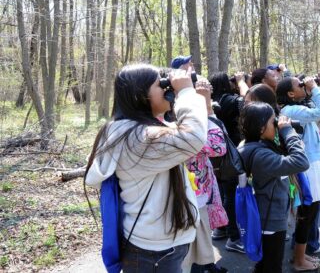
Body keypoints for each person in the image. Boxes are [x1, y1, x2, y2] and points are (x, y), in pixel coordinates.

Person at [85, 64, 207, 272]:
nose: (167, 88)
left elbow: (177, 132)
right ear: (140, 96)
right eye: (161, 85)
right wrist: (186, 91)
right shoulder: (136, 139)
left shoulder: (130, 131)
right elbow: (193, 137)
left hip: (155, 247)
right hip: (155, 253)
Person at [238, 102, 309, 273]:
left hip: (264, 216)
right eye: (273, 122)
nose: (276, 125)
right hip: (269, 221)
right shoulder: (261, 155)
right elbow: (301, 161)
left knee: (264, 264)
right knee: (272, 266)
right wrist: (288, 131)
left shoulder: (250, 145)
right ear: (262, 128)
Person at [276, 76, 320, 271]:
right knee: (307, 212)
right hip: (308, 167)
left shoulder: (295, 108)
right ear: (291, 94)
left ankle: (301, 255)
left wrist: (311, 90)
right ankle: (299, 260)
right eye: (300, 85)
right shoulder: (292, 110)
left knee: (311, 211)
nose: (304, 86)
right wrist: (315, 87)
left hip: (312, 163)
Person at [184, 79, 229, 273]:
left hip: (196, 193)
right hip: (190, 197)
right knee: (191, 253)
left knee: (199, 248)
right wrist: (206, 107)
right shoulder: (182, 124)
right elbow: (219, 145)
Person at [209, 72, 246, 253]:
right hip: (230, 152)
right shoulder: (231, 100)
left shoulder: (208, 103)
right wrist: (241, 83)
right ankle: (234, 237)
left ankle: (220, 227)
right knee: (230, 194)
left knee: (220, 192)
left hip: (213, 154)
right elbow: (247, 103)